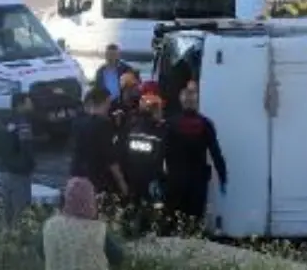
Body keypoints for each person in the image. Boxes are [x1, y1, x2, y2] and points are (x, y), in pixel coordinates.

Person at [163, 84, 227, 231]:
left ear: (181, 102)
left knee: (173, 221)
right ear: (197, 102)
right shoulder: (205, 124)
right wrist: (223, 177)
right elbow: (216, 153)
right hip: (197, 181)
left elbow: (161, 152)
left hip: (175, 181)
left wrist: (159, 176)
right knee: (194, 222)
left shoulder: (171, 124)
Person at [70, 87, 127, 204]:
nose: (109, 107)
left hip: (77, 176)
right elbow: (110, 158)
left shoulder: (77, 121)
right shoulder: (102, 124)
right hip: (97, 180)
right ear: (103, 102)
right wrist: (122, 183)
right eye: (108, 103)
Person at [121, 93, 166, 234]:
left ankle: (126, 231)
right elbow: (162, 157)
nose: (161, 112)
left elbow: (123, 152)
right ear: (154, 110)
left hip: (132, 176)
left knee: (132, 204)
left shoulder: (131, 127)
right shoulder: (159, 131)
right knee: (153, 206)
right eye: (159, 109)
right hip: (151, 178)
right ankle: (148, 232)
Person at [0, 92, 37, 224]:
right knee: (21, 213)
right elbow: (26, 148)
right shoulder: (23, 124)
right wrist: (30, 165)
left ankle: (5, 239)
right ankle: (17, 241)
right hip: (19, 173)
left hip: (3, 170)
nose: (31, 104)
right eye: (28, 101)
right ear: (21, 104)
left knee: (7, 210)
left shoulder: (4, 120)